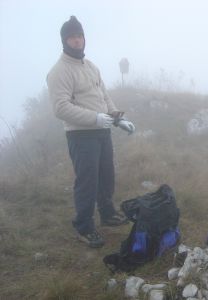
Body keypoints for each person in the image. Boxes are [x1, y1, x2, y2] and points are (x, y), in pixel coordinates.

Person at [47, 16, 135, 248]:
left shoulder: (91, 66)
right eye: (72, 37)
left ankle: (107, 214)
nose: (77, 41)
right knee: (87, 181)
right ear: (65, 41)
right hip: (80, 134)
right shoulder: (59, 71)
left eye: (80, 36)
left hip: (102, 131)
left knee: (106, 175)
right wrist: (94, 118)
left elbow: (104, 96)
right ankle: (84, 227)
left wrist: (118, 117)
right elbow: (60, 108)